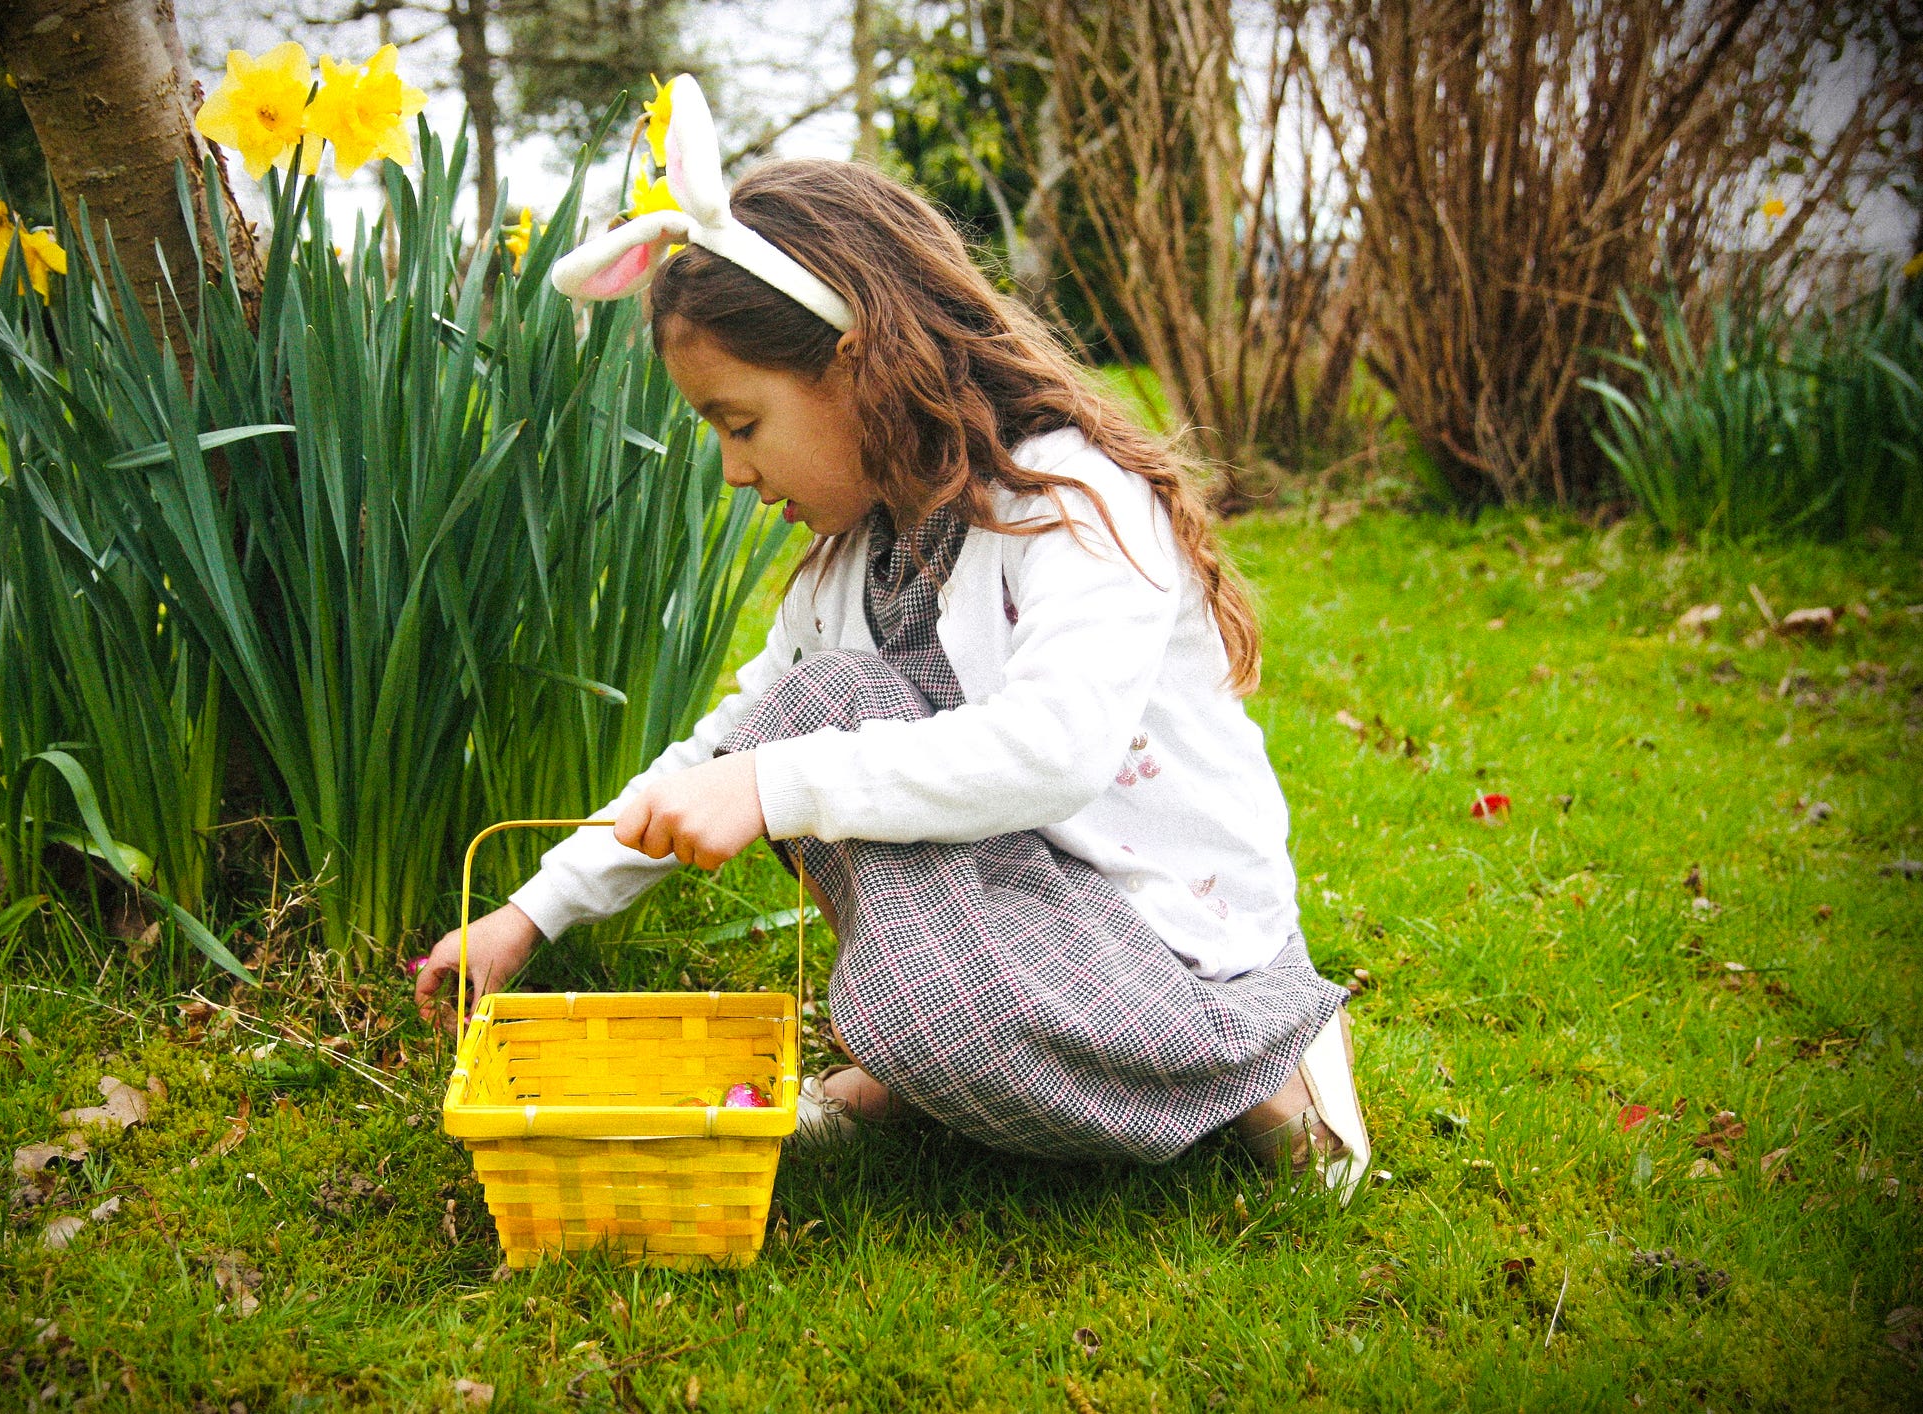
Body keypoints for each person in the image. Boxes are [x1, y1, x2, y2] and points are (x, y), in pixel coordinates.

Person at [413, 75, 1370, 1201]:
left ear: (855, 361)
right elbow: (724, 751)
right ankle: (941, 1068)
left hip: (1176, 951)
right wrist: (532, 911)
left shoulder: (1067, 498)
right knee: (801, 722)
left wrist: (779, 782)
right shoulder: (854, 566)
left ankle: (1263, 1067)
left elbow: (1055, 747)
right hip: (1038, 927)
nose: (731, 468)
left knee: (815, 755)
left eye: (742, 422)